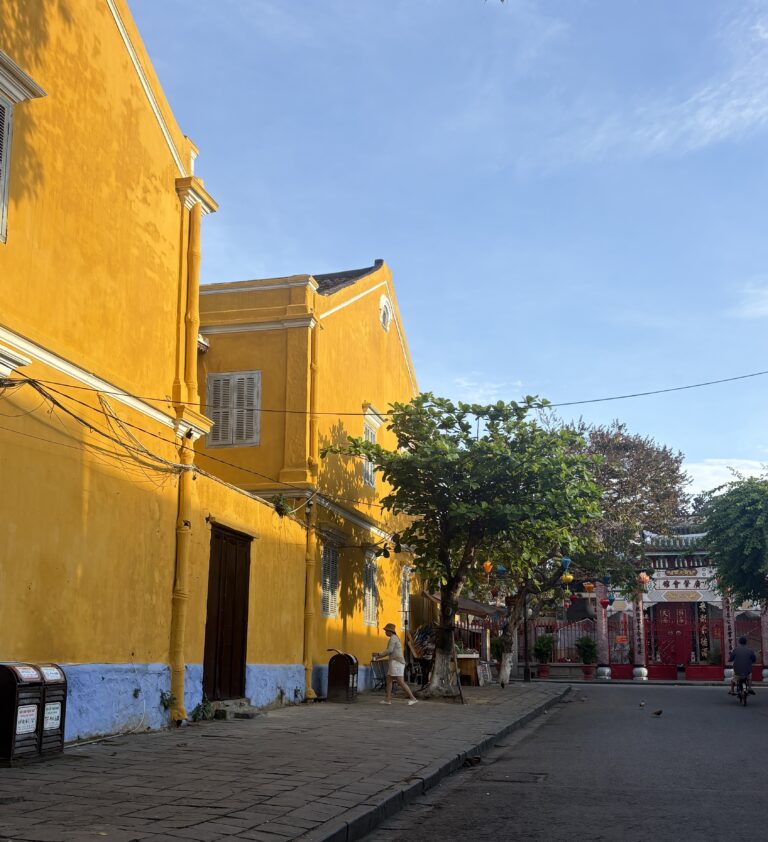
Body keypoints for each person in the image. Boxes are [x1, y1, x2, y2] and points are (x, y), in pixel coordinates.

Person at [374, 622, 419, 705]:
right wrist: (378, 657)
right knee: (389, 680)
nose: (385, 632)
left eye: (386, 630)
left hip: (397, 662)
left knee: (400, 681)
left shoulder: (393, 638)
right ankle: (388, 699)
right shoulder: (394, 638)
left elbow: (389, 650)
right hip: (394, 662)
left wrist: (378, 654)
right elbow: (389, 652)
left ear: (389, 631)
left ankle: (413, 698)